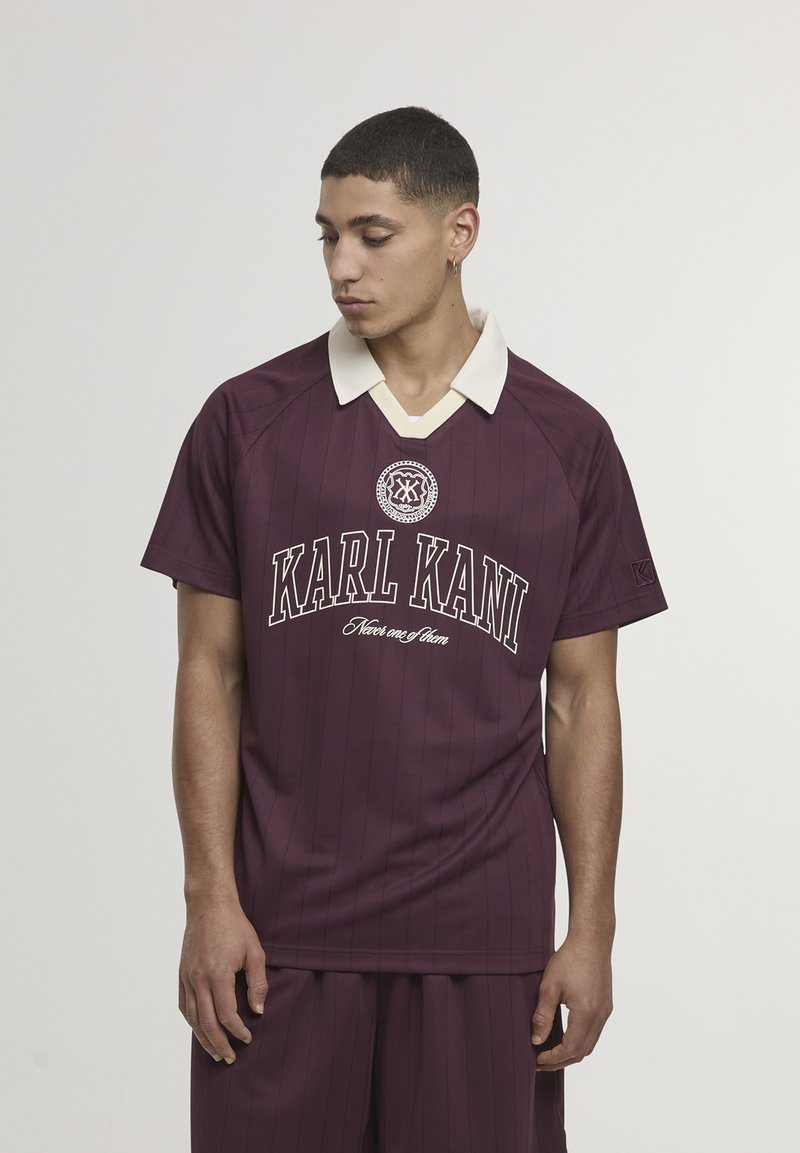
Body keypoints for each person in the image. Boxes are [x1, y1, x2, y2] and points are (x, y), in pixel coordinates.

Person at [140, 105, 668, 1153]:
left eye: (373, 235)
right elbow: (209, 670)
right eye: (328, 235)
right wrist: (208, 898)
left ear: (459, 231)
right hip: (279, 937)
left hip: (484, 943)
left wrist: (592, 928)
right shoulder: (246, 420)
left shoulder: (567, 442)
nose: (342, 265)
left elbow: (580, 700)